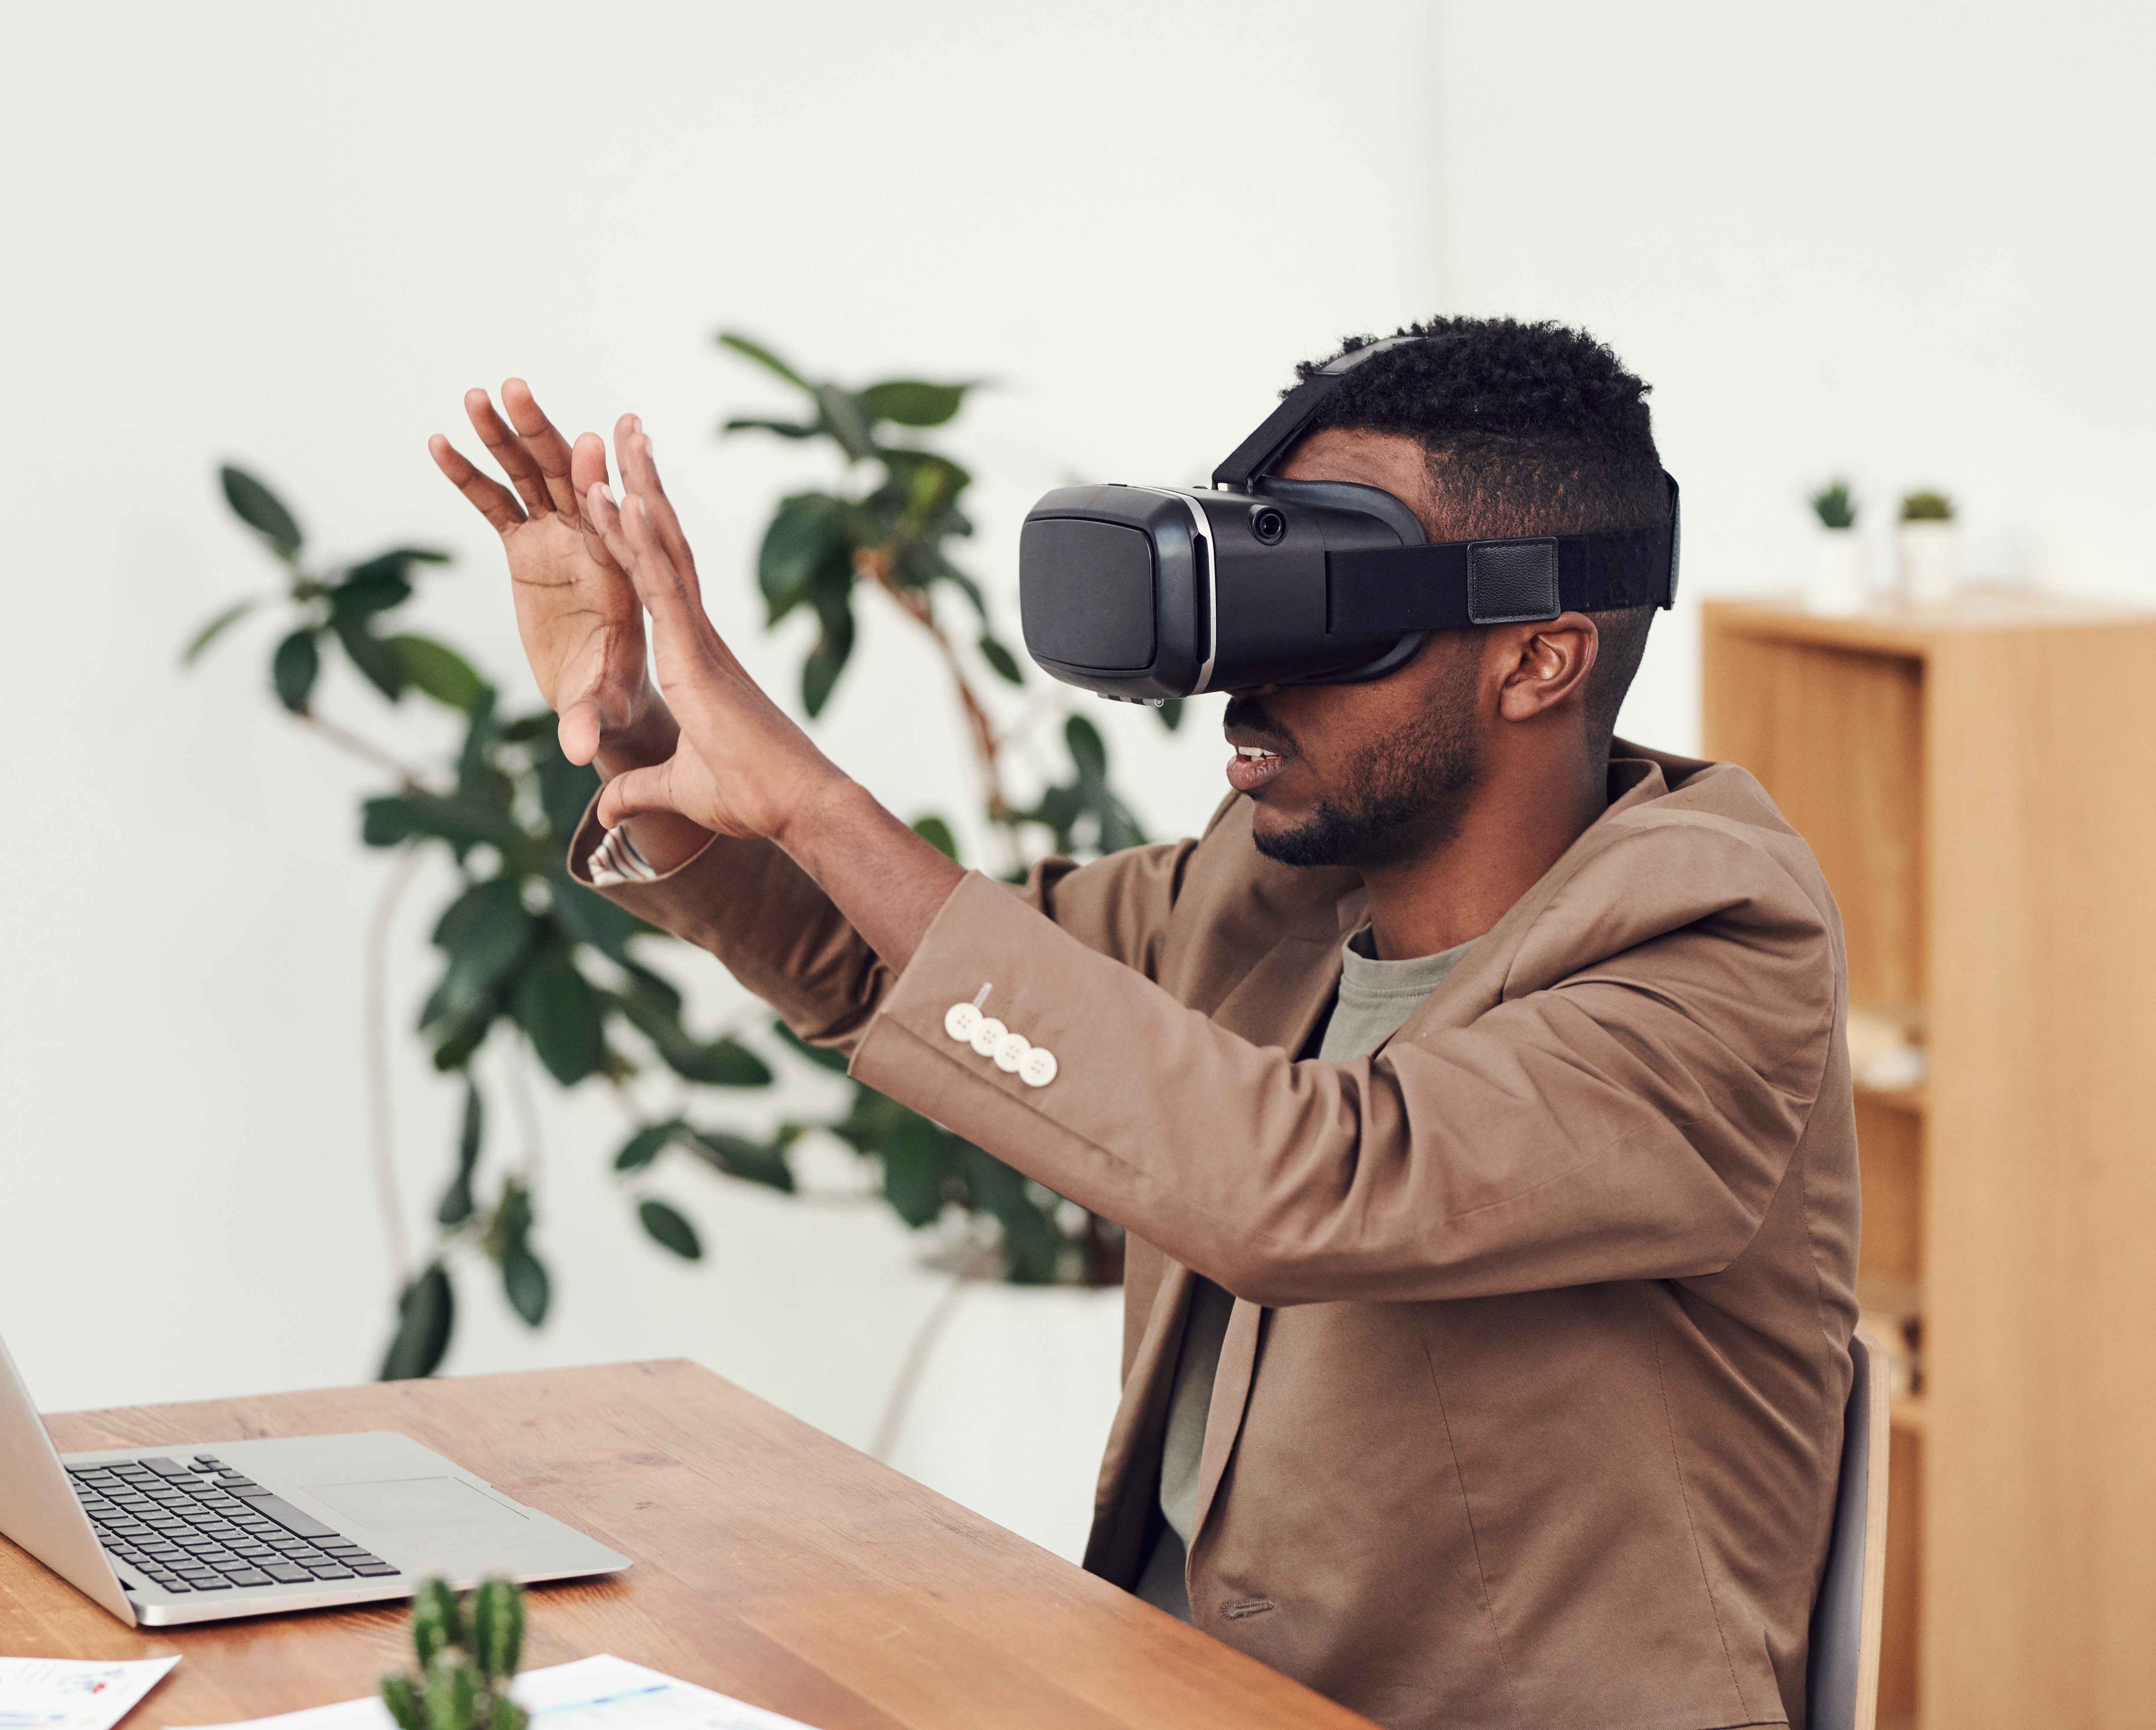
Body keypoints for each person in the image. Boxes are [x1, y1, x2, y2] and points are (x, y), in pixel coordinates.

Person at [430, 317, 1861, 1730]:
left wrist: (813, 792)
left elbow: (1314, 1187)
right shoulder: (1271, 893)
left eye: (1335, 606)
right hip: (1164, 1689)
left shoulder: (1715, 949)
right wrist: (647, 742)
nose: (1251, 675)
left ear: (1539, 659)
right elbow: (909, 978)